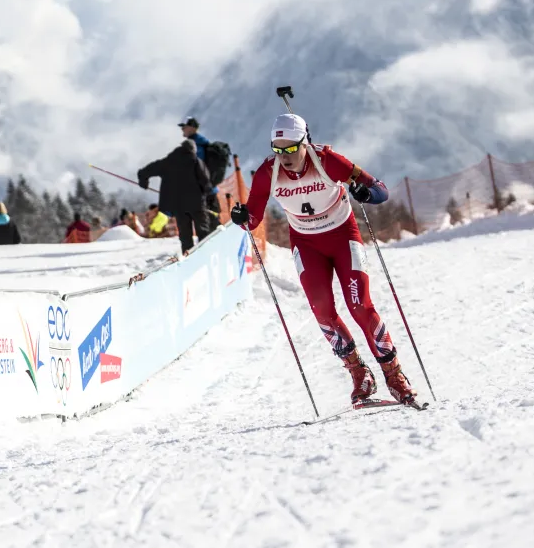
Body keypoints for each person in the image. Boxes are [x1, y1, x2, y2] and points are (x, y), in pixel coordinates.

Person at [229, 113, 417, 406]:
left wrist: (365, 193)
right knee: (323, 311)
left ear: (306, 142)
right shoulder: (268, 173)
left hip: (343, 236)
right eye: (278, 149)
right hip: (306, 243)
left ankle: (394, 375)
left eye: (291, 147)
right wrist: (242, 217)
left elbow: (381, 191)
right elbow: (252, 219)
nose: (285, 156)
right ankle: (359, 374)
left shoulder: (329, 161)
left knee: (360, 306)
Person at [138, 139, 213, 254]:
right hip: (197, 204)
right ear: (193, 150)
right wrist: (206, 196)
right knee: (203, 231)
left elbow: (144, 171)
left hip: (179, 206)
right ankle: (205, 255)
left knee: (185, 236)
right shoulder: (196, 162)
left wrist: (144, 183)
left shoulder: (168, 162)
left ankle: (188, 257)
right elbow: (206, 182)